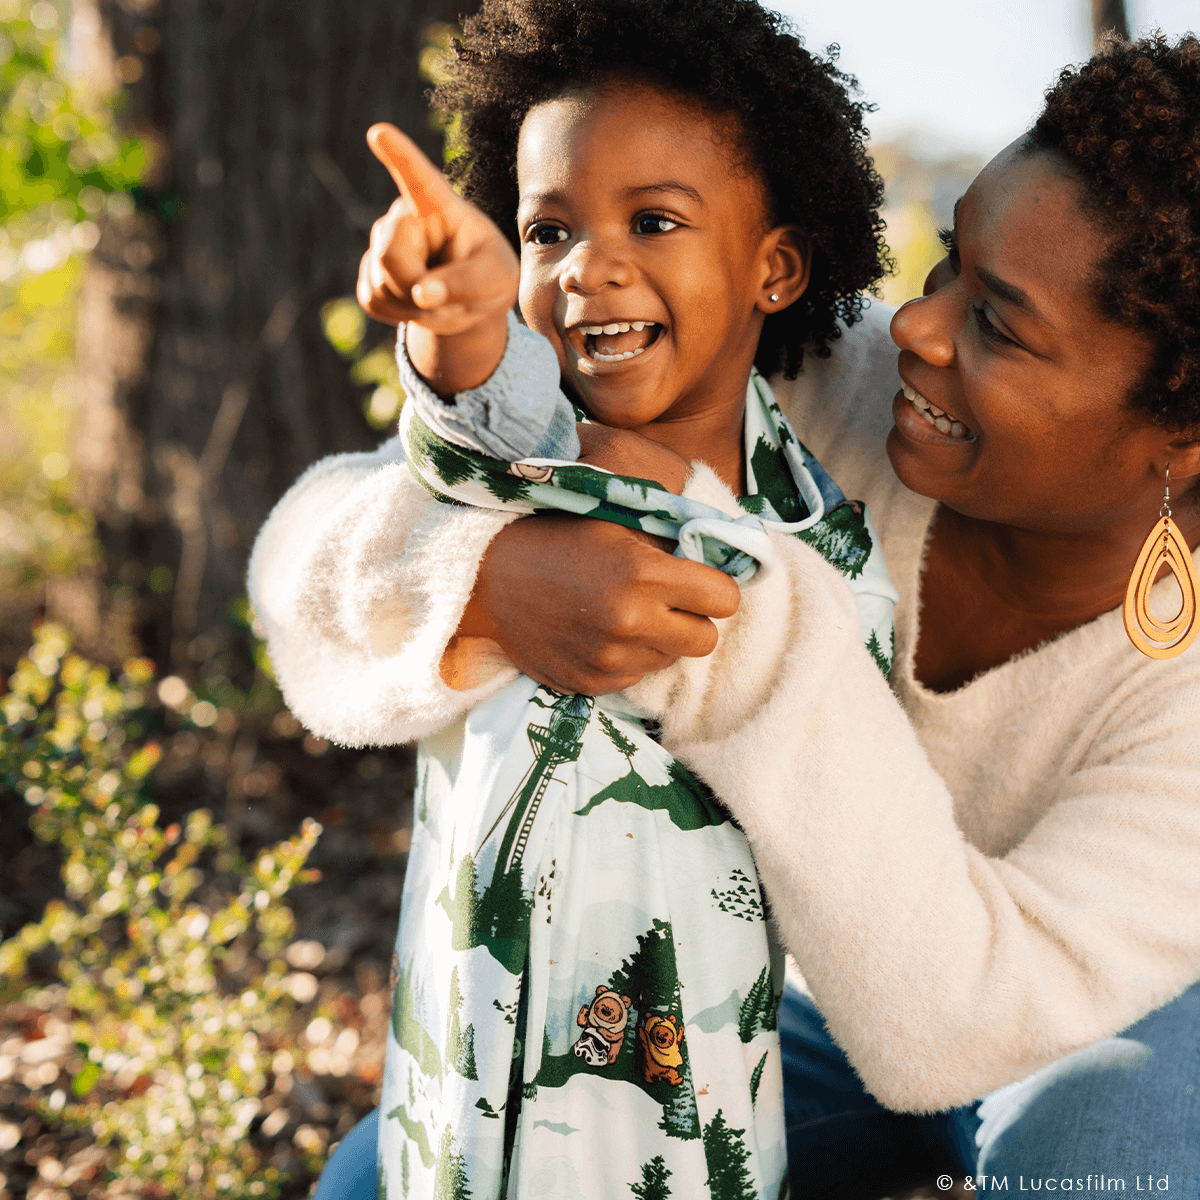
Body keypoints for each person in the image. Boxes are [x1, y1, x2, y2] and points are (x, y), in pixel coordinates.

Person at [255, 29, 1200, 1200]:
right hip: (764, 977)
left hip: (1095, 1020)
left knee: (1128, 1175)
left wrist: (731, 614)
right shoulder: (801, 379)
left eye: (1000, 325)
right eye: (949, 262)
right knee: (375, 1189)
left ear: (1182, 437)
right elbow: (307, 554)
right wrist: (489, 574)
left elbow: (961, 1018)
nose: (920, 327)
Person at [261, 2, 902, 1197]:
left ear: (777, 266)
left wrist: (703, 528)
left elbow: (838, 706)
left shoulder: (818, 544)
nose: (587, 267)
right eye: (549, 230)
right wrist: (457, 318)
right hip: (461, 1066)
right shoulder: (534, 457)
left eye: (653, 221)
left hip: (668, 1107)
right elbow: (473, 413)